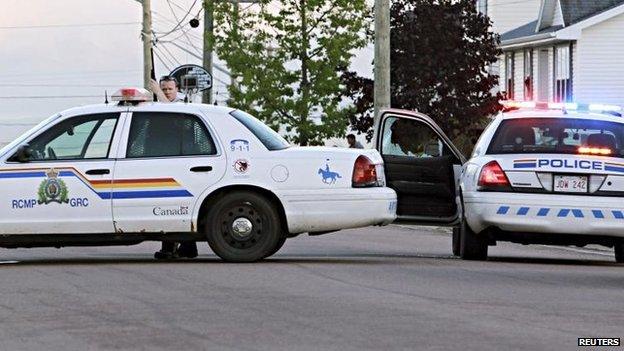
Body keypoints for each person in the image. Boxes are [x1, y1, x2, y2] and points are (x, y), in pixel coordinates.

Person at [150, 76, 197, 260]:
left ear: (177, 89)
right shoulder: (160, 103)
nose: (167, 92)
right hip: (168, 161)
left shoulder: (182, 103)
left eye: (169, 89)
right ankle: (174, 248)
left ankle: (182, 248)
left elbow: (172, 113)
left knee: (178, 206)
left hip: (182, 163)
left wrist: (158, 92)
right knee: (168, 206)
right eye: (164, 89)